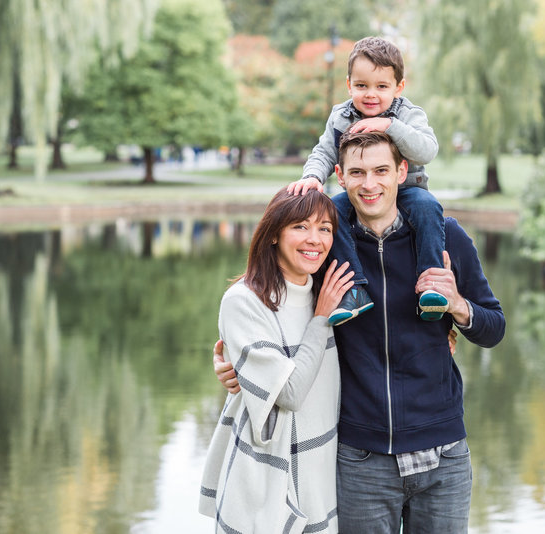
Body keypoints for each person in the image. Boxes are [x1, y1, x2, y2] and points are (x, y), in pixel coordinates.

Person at [216, 131, 506, 533]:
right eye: (357, 172)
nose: (370, 184)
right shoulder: (328, 247)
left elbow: (494, 328)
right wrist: (235, 365)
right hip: (360, 459)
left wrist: (458, 305)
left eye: (381, 170)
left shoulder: (443, 237)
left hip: (443, 453)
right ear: (340, 175)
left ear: (402, 171)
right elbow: (285, 311)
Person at [198, 188, 354, 533]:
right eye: (300, 226)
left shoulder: (328, 292)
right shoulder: (245, 301)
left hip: (323, 472)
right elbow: (291, 393)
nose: (315, 239)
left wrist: (448, 329)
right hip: (268, 481)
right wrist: (321, 319)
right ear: (273, 234)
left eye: (325, 228)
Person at [288, 36, 448, 326]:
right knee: (330, 212)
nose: (371, 94)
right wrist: (312, 177)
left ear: (398, 87)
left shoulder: (407, 115)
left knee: (428, 207)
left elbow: (428, 149)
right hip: (359, 195)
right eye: (362, 86)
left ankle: (431, 284)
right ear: (349, 85)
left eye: (382, 87)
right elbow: (324, 151)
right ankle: (356, 288)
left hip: (408, 189)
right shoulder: (340, 117)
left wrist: (390, 126)